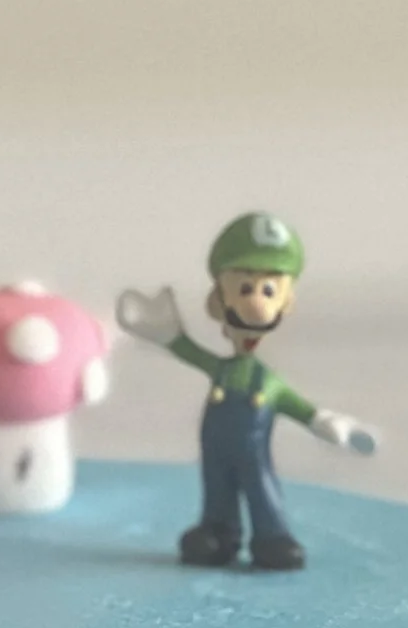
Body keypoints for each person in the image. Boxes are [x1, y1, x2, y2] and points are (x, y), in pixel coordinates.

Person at [115, 211, 379, 572]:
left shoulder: (266, 381)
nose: (255, 302)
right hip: (214, 447)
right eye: (244, 289)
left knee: (260, 487)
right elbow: (194, 354)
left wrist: (322, 420)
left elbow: (294, 405)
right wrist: (168, 336)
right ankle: (217, 531)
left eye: (268, 291)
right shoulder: (222, 369)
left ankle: (272, 536)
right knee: (216, 486)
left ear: (285, 302)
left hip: (252, 452)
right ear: (219, 301)